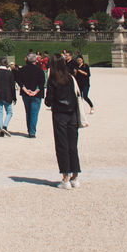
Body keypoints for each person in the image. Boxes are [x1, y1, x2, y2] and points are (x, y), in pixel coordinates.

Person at [45, 57, 82, 189]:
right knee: (73, 145)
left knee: (62, 146)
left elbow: (48, 101)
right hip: (72, 114)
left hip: (60, 115)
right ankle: (75, 177)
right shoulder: (70, 78)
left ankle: (65, 177)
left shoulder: (53, 80)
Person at [16, 52, 46, 138]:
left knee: (28, 112)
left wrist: (25, 89)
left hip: (26, 94)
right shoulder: (39, 70)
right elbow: (42, 83)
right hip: (36, 94)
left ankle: (29, 129)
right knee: (34, 113)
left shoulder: (22, 69)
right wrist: (35, 91)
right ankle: (32, 132)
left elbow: (19, 80)